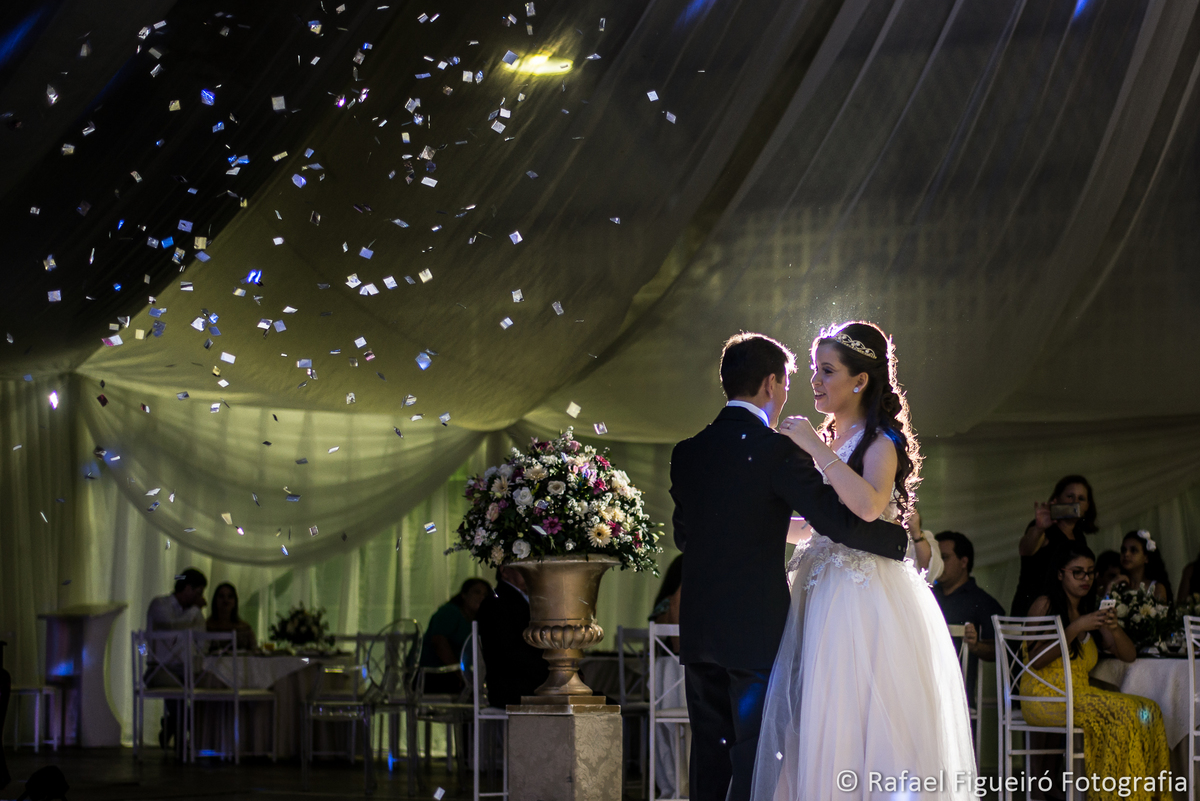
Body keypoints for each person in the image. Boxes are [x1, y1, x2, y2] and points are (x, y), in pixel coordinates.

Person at [670, 331, 909, 801]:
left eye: (825, 371)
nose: (808, 386)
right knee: (755, 754)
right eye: (795, 379)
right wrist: (896, 540)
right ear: (771, 384)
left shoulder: (688, 451)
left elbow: (686, 535)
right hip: (756, 628)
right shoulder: (779, 449)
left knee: (710, 755)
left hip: (700, 627)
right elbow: (835, 521)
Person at [751, 322, 974, 801]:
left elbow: (869, 507)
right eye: (813, 369)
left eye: (826, 370)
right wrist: (754, 522)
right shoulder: (832, 442)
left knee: (866, 717)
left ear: (860, 380)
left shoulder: (880, 442)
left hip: (864, 595)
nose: (814, 380)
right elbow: (813, 525)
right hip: (821, 589)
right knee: (820, 715)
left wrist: (813, 447)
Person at [1021, 546, 1169, 800]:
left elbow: (1128, 656)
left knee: (1149, 710)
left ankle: (1144, 795)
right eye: (1077, 573)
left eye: (1090, 573)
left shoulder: (1089, 608)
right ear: (1060, 575)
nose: (1086, 579)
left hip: (1078, 695)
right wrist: (1075, 627)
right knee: (1125, 713)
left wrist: (1113, 627)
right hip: (1046, 696)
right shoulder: (1045, 603)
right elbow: (1034, 660)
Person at [932, 531, 1005, 706]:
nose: (939, 564)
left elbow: (1001, 651)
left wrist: (976, 646)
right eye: (936, 558)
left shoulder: (982, 602)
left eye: (945, 557)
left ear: (963, 562)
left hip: (958, 698)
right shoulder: (926, 596)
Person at [1010, 475, 1097, 617]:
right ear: (1057, 500)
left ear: (1087, 506)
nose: (1075, 502)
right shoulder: (1043, 528)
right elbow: (1025, 549)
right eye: (1070, 496)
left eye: (1081, 498)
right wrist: (1039, 528)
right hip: (1034, 609)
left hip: (1062, 611)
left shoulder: (1079, 536)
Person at [146, 568, 208, 750]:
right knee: (178, 689)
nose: (200, 598)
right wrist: (196, 610)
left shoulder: (193, 612)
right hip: (157, 669)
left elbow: (202, 640)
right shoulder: (159, 604)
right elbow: (172, 626)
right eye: (198, 593)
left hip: (187, 669)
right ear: (187, 588)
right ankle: (191, 736)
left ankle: (173, 725)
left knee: (210, 685)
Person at [475, 566, 547, 707]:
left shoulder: (532, 599)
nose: (531, 570)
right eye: (523, 566)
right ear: (504, 571)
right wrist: (551, 673)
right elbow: (509, 652)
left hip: (533, 681)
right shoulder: (497, 603)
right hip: (515, 686)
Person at [419, 578, 491, 695]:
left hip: (456, 674)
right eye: (477, 592)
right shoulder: (450, 612)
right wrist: (460, 674)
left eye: (485, 594)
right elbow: (439, 643)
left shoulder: (478, 620)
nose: (481, 597)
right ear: (464, 594)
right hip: (434, 673)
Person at [1106, 530, 1171, 602]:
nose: (1126, 554)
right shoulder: (1118, 586)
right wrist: (1110, 587)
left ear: (1146, 557)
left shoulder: (1156, 588)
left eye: (1133, 550)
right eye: (1123, 550)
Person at [205, 582, 256, 651]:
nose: (226, 600)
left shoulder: (244, 628)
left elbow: (254, 652)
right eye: (221, 596)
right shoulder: (206, 627)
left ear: (235, 602)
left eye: (230, 596)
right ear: (215, 601)